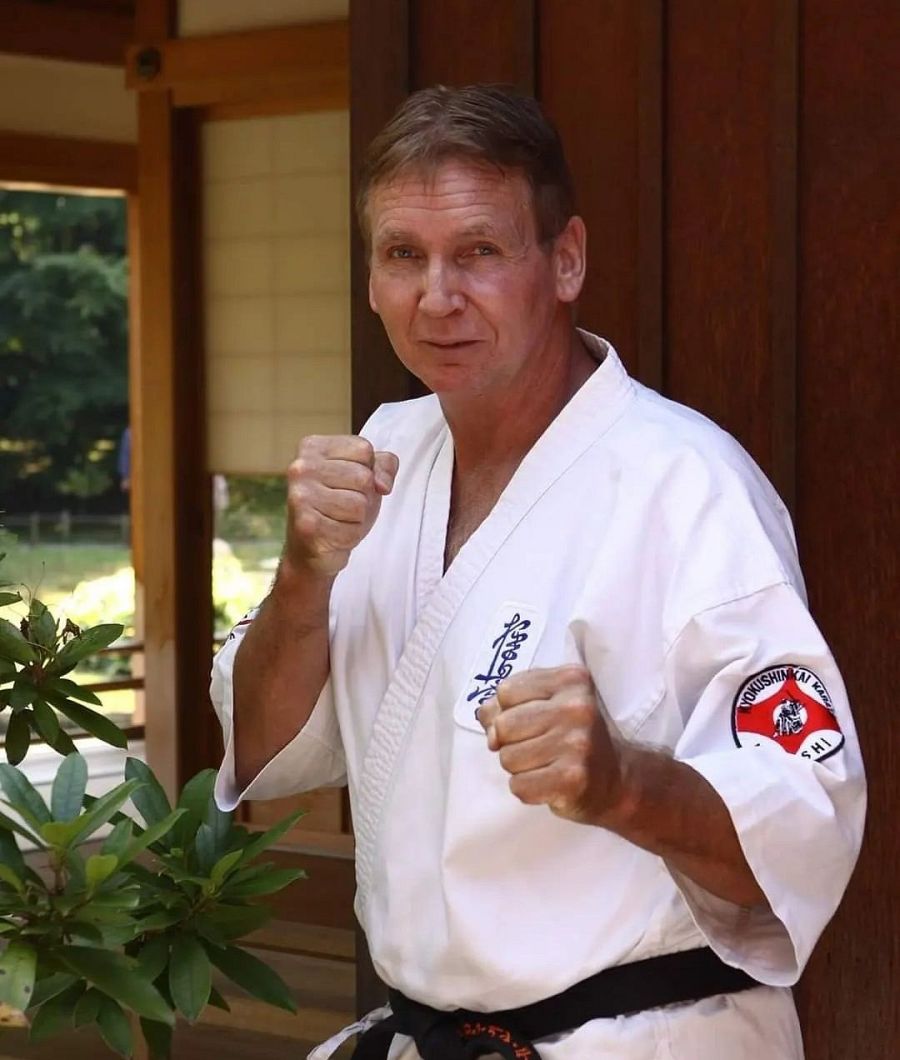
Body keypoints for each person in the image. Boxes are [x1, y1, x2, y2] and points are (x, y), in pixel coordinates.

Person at [210, 85, 865, 1059]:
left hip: (644, 1038)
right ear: (372, 280)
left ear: (566, 261)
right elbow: (267, 754)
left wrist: (623, 783)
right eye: (403, 255)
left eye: (479, 250)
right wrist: (304, 572)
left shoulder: (687, 487)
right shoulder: (387, 455)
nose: (438, 297)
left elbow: (806, 824)